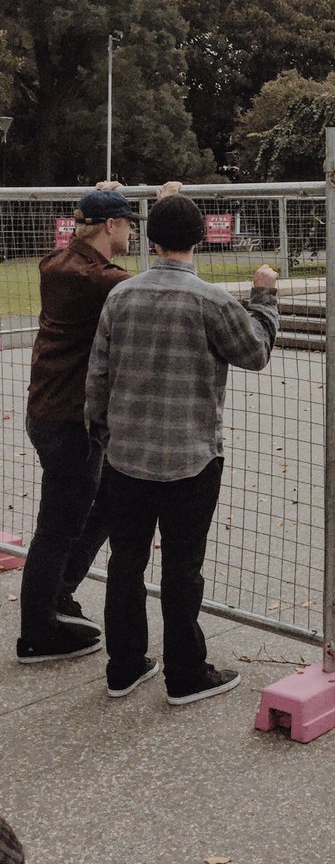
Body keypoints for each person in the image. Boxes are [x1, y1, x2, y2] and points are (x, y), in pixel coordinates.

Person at [85, 194, 279, 703]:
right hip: (190, 455)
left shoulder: (121, 296)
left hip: (126, 455)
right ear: (199, 240)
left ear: (151, 240)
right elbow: (255, 351)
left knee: (125, 563)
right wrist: (264, 296)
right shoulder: (211, 300)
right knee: (181, 568)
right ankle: (185, 673)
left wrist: (104, 434)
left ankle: (123, 666)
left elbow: (98, 375)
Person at [17, 185, 162, 663]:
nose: (134, 230)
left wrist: (101, 192)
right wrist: (166, 210)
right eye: (129, 222)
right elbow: (154, 289)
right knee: (58, 525)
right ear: (111, 226)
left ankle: (59, 594)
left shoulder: (57, 264)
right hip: (69, 420)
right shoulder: (98, 281)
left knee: (97, 505)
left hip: (50, 413)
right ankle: (38, 631)